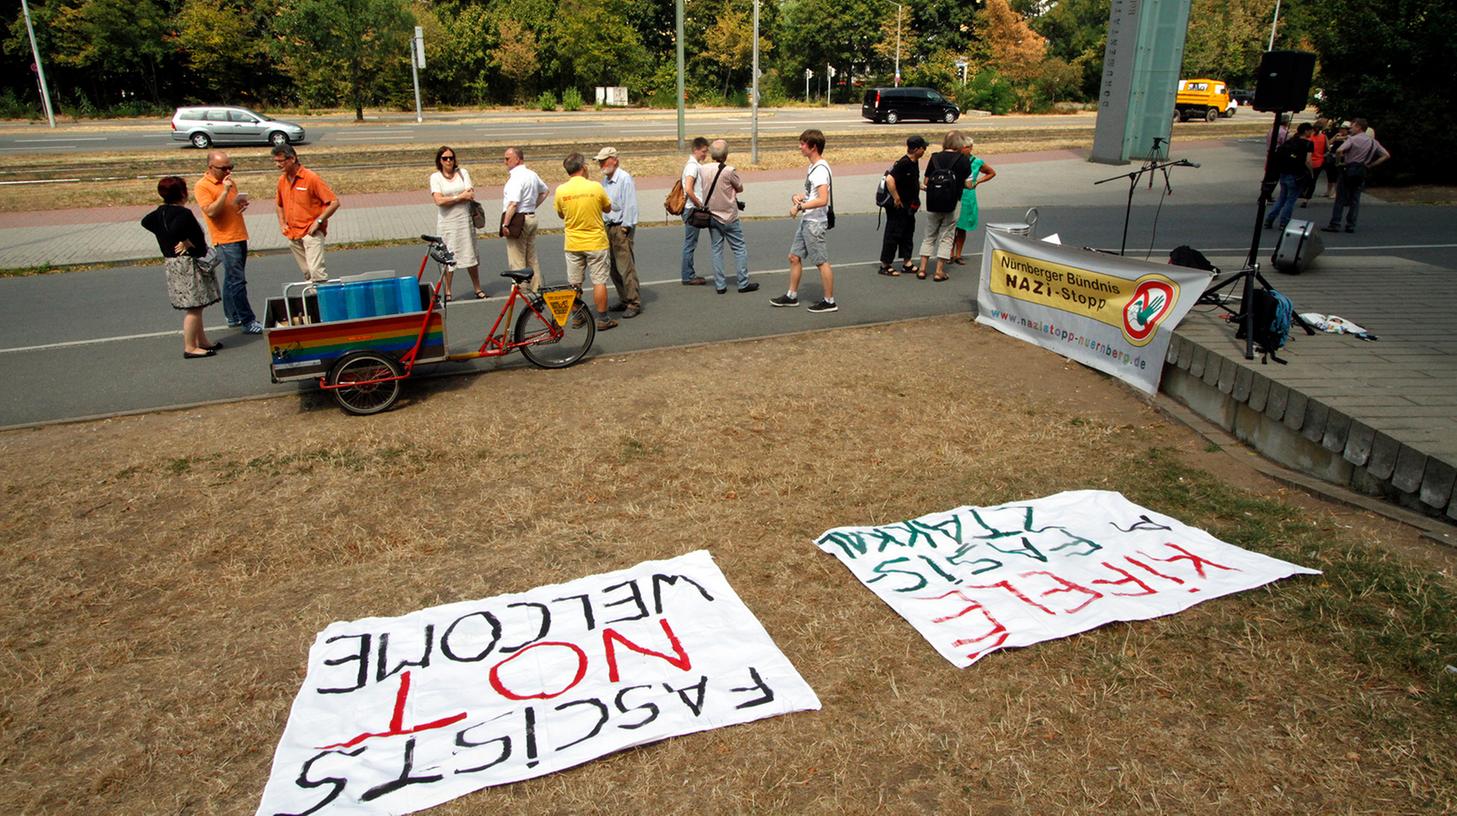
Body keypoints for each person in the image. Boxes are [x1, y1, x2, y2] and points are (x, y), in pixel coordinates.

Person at [141, 176, 221, 358]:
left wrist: (166, 238)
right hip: (188, 263)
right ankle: (190, 347)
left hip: (172, 263)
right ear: (182, 193)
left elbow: (145, 222)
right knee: (194, 307)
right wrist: (187, 241)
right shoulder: (183, 214)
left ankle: (202, 341)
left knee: (196, 306)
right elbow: (194, 239)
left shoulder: (159, 212)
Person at [194, 150, 262, 334]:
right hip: (224, 239)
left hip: (239, 234)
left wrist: (240, 205)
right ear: (210, 167)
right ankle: (248, 321)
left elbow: (229, 206)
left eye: (230, 167)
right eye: (224, 168)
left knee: (232, 280)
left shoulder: (230, 182)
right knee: (238, 281)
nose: (228, 172)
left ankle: (232, 316)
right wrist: (224, 191)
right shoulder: (202, 186)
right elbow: (211, 211)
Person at [771, 129, 837, 313]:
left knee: (821, 261)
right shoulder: (813, 168)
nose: (800, 147)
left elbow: (823, 199)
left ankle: (829, 301)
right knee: (794, 257)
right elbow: (812, 195)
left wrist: (800, 207)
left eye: (802, 144)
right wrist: (799, 196)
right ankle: (791, 296)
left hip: (815, 223)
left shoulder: (820, 170)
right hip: (807, 220)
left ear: (813, 147)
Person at [553, 152, 617, 331]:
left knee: (574, 282)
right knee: (599, 281)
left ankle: (577, 316)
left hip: (573, 243)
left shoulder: (561, 190)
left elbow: (560, 213)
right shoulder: (595, 187)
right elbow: (607, 207)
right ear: (583, 168)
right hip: (596, 241)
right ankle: (603, 318)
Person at [697, 139, 759, 294]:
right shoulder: (729, 170)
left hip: (712, 216)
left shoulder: (703, 169)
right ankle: (743, 283)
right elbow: (740, 188)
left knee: (716, 249)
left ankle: (720, 285)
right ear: (725, 155)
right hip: (729, 216)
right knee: (739, 248)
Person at [913, 130, 974, 283]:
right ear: (959, 144)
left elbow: (926, 181)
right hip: (952, 202)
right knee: (947, 236)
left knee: (929, 235)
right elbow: (968, 184)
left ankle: (922, 268)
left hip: (933, 202)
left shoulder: (934, 158)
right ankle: (939, 271)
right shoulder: (963, 160)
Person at [272, 144, 339, 283]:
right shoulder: (282, 180)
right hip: (293, 235)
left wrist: (318, 222)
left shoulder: (311, 178)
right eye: (275, 161)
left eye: (280, 161)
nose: (277, 165)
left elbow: (334, 203)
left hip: (311, 233)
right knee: (308, 273)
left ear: (292, 159)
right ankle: (312, 300)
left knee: (316, 272)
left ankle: (323, 302)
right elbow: (279, 205)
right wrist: (282, 223)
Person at [429, 146, 483, 301]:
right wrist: (459, 197)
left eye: (451, 158)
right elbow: (438, 201)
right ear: (439, 160)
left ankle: (477, 288)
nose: (448, 161)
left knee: (470, 254)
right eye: (445, 158)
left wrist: (452, 198)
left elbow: (470, 194)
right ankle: (448, 291)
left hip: (464, 221)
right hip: (447, 223)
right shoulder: (435, 177)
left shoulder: (463, 173)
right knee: (448, 256)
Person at [594, 147, 642, 318]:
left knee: (625, 266)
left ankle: (633, 301)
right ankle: (624, 298)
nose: (601, 164)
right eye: (600, 161)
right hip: (608, 226)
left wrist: (626, 227)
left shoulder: (624, 179)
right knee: (613, 266)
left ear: (614, 159)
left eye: (604, 161)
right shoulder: (605, 181)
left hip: (621, 226)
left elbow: (630, 204)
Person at [1323, 118, 1390, 234]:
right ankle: (1351, 225)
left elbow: (1339, 150)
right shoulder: (1373, 142)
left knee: (1340, 198)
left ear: (1359, 127)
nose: (1350, 129)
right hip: (1362, 170)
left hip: (1348, 168)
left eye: (1352, 127)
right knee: (1355, 199)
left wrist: (1338, 162)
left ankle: (1335, 223)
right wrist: (1371, 164)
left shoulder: (1352, 139)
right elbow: (1386, 155)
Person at [878, 134, 927, 277]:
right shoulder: (903, 163)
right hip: (899, 207)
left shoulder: (914, 162)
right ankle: (885, 265)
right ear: (917, 149)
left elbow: (912, 179)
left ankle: (907, 262)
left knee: (907, 233)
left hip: (909, 207)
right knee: (893, 234)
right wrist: (896, 198)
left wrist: (921, 187)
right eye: (923, 148)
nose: (924, 151)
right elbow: (890, 179)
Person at [501, 146, 549, 290]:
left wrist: (505, 224)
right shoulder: (532, 174)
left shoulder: (516, 178)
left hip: (518, 219)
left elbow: (513, 204)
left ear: (518, 159)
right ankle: (536, 287)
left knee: (517, 258)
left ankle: (520, 290)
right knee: (531, 256)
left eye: (508, 158)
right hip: (531, 217)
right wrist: (532, 206)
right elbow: (545, 191)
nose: (505, 162)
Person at [949, 137, 997, 265]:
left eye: (963, 147)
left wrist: (978, 181)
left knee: (962, 227)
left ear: (970, 148)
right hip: (955, 193)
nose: (960, 149)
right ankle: (949, 253)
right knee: (952, 225)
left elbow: (991, 172)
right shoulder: (955, 159)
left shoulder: (977, 162)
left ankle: (958, 254)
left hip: (968, 195)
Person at [1264, 122, 1313, 231]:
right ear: (1306, 131)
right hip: (1297, 174)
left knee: (1282, 198)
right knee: (1290, 200)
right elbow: (1308, 161)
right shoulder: (1308, 144)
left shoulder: (1290, 141)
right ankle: (1284, 222)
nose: (1311, 132)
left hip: (1284, 173)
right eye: (1310, 130)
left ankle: (1269, 219)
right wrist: (1311, 173)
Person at [680, 137, 711, 286]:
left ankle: (688, 274)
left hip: (690, 208)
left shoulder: (693, 165)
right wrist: (700, 204)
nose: (705, 154)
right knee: (690, 243)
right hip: (692, 209)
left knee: (690, 242)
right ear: (696, 150)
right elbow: (688, 189)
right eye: (704, 151)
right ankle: (688, 276)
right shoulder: (692, 167)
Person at [1299, 118, 1328, 207]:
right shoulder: (1323, 137)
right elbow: (1327, 147)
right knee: (1313, 181)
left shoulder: (1309, 137)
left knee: (1304, 178)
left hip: (1307, 160)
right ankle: (1306, 199)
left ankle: (1302, 191)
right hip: (1318, 161)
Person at [1323, 122, 1350, 198]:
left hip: (1341, 157)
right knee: (1330, 174)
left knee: (1337, 175)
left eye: (1343, 129)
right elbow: (1329, 142)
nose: (1341, 130)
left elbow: (1345, 140)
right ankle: (1328, 191)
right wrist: (1335, 136)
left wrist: (1340, 137)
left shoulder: (1349, 137)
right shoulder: (1338, 136)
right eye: (1340, 129)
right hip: (1332, 155)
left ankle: (1335, 192)